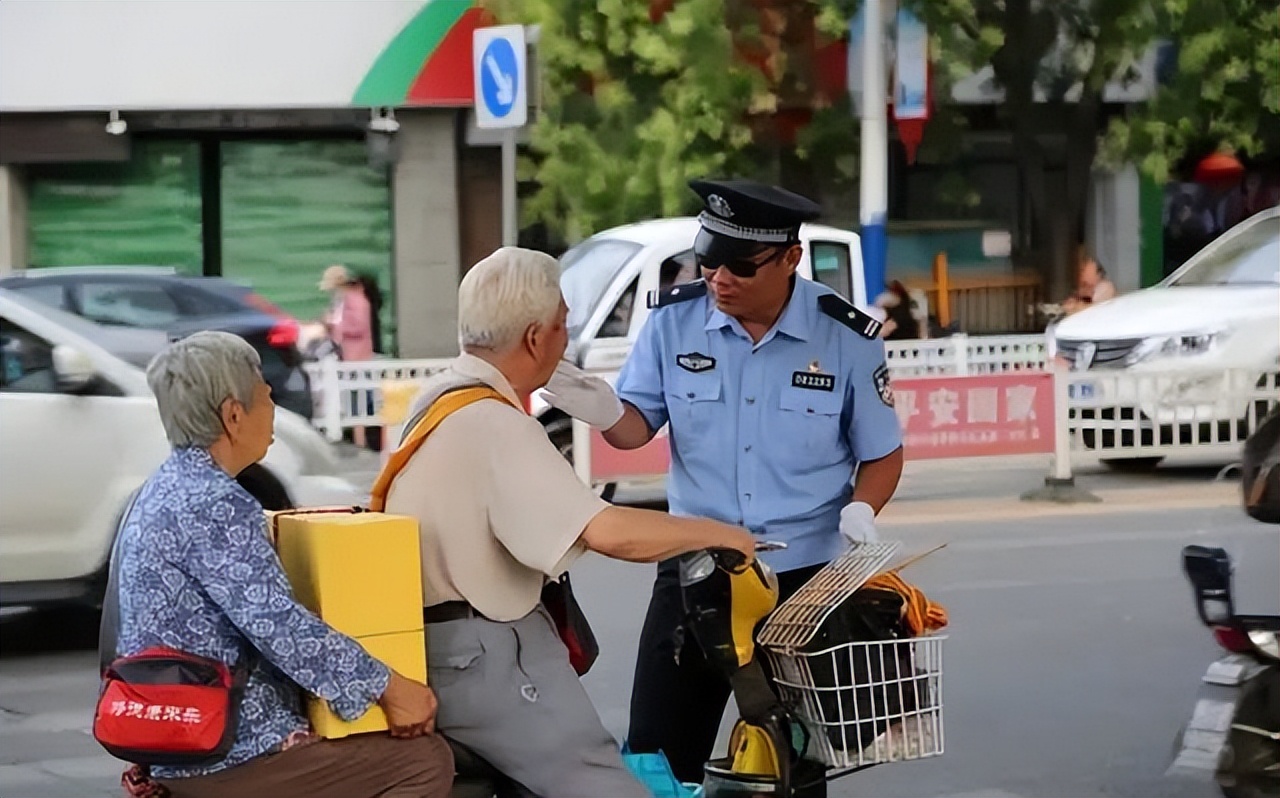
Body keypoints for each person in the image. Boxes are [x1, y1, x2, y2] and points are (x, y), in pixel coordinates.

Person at [540, 178, 906, 785]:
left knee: (794, 767)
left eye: (740, 265)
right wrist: (600, 408)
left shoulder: (845, 337)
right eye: (709, 259)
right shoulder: (674, 322)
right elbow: (634, 429)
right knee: (657, 757)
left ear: (790, 258)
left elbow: (882, 454)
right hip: (696, 570)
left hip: (802, 580)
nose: (719, 278)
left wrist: (862, 509)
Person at [378, 247, 758, 798]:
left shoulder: (437, 397)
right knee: (604, 787)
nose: (565, 338)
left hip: (437, 646)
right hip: (486, 655)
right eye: (563, 324)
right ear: (536, 338)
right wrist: (722, 534)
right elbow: (609, 532)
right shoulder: (496, 424)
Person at [114, 331, 452, 798]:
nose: (273, 408)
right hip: (228, 748)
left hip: (172, 737)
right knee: (423, 762)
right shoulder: (216, 504)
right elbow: (279, 625)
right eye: (266, 395)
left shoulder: (161, 490)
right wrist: (390, 687)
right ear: (233, 415)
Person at [320, 264, 376, 447]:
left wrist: (334, 325)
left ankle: (361, 441)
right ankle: (357, 439)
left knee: (358, 399)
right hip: (348, 356)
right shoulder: (344, 301)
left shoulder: (355, 300)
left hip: (357, 357)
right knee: (353, 399)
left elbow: (358, 326)